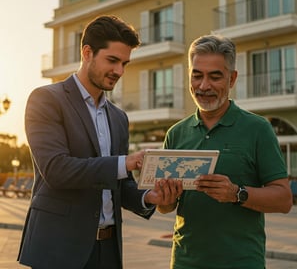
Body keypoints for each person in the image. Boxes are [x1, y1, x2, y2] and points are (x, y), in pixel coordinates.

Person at [18, 15, 181, 269]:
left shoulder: (118, 117)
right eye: (113, 60)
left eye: (125, 63)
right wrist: (125, 162)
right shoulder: (46, 99)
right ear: (87, 53)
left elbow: (120, 184)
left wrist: (150, 196)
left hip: (108, 251)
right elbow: (56, 170)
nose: (119, 71)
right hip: (58, 251)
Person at [157, 34, 293, 269]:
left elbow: (284, 199)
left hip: (241, 263)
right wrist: (165, 199)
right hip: (185, 263)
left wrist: (236, 193)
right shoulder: (176, 133)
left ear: (232, 79)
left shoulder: (258, 129)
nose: (203, 85)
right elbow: (165, 207)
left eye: (215, 76)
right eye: (197, 75)